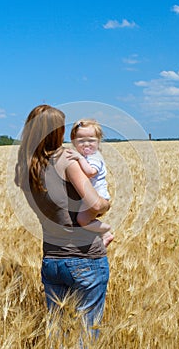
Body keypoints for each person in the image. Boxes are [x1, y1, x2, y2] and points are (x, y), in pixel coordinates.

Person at [15, 105, 110, 339]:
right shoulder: (67, 160)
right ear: (56, 132)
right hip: (84, 259)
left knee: (57, 335)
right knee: (87, 336)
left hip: (51, 260)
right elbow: (96, 205)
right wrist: (107, 204)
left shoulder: (25, 168)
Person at [67, 119, 114, 247]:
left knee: (82, 220)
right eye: (81, 140)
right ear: (73, 141)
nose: (86, 144)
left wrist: (79, 158)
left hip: (97, 196)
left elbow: (90, 172)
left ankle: (105, 231)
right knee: (86, 220)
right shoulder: (88, 157)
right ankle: (101, 234)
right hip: (91, 197)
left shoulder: (95, 157)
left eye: (91, 140)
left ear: (98, 141)